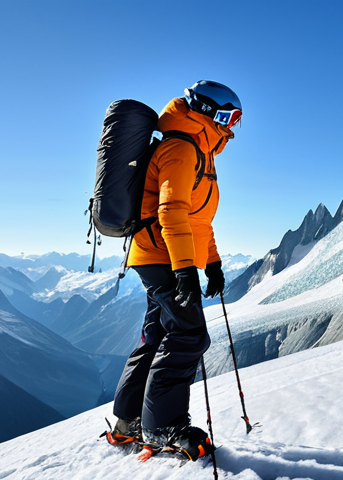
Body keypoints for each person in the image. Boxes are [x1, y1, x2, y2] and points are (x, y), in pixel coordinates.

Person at [107, 80, 242, 460]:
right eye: (230, 116)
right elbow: (170, 212)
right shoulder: (182, 148)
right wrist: (185, 270)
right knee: (188, 334)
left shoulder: (198, 150)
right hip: (161, 254)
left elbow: (199, 218)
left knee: (157, 333)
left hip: (159, 254)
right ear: (209, 113)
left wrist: (211, 261)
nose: (233, 127)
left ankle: (127, 424)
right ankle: (162, 427)